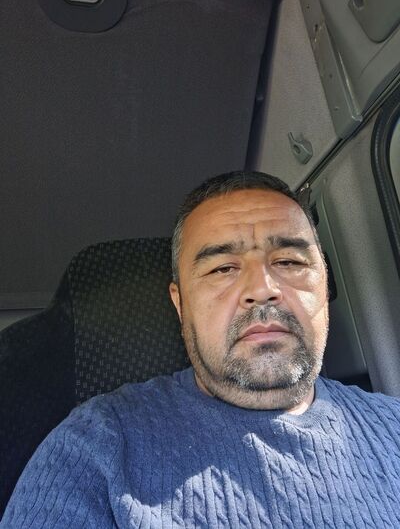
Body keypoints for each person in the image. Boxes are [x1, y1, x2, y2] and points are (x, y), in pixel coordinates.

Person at [2, 171, 400, 528]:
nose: (263, 288)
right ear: (180, 305)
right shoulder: (96, 445)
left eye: (289, 261)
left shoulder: (393, 424)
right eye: (223, 268)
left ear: (324, 285)